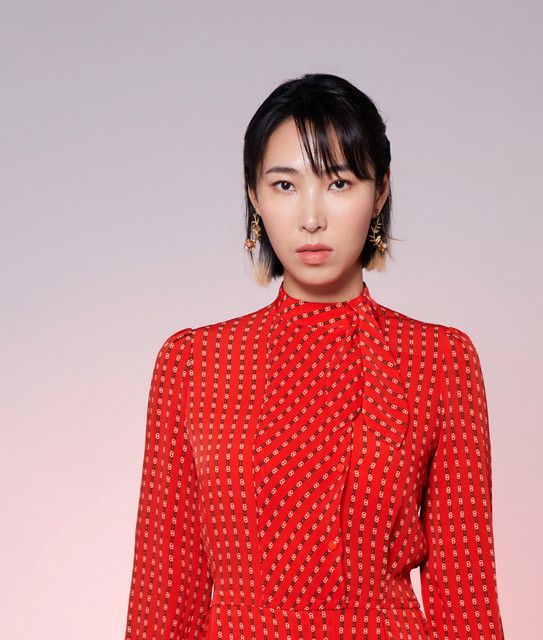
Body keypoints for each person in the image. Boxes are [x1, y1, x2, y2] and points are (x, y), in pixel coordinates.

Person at [123, 72, 506, 640]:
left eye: (339, 182)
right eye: (285, 184)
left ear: (380, 192)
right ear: (254, 195)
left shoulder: (439, 359)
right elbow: (163, 596)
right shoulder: (193, 363)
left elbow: (466, 598)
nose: (311, 217)